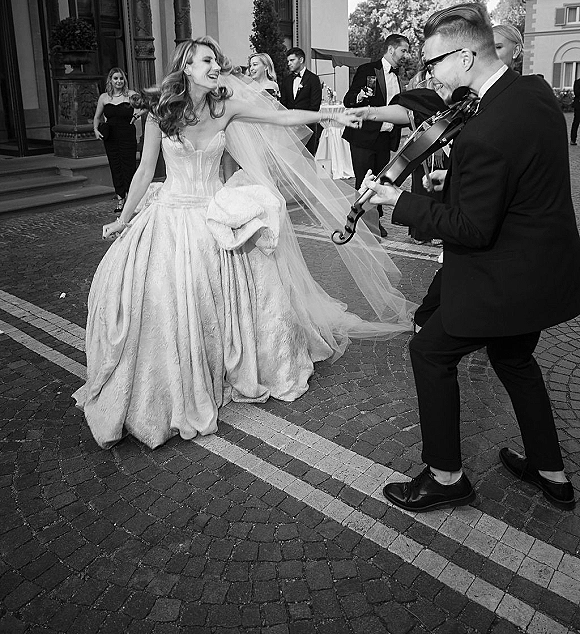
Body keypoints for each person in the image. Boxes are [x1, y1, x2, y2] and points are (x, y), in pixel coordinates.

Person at [73, 37, 413, 450]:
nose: (215, 65)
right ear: (186, 67)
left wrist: (333, 113)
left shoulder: (225, 107)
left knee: (223, 299)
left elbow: (282, 120)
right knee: (168, 299)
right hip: (171, 217)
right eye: (205, 60)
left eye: (216, 59)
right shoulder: (159, 114)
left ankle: (225, 367)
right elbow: (145, 172)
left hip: (216, 218)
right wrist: (124, 218)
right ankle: (174, 379)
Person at [361, 3, 580, 512]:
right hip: (546, 270)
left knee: (430, 353)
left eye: (433, 62)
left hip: (504, 276)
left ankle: (445, 476)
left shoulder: (484, 129)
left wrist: (400, 201)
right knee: (514, 358)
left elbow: (472, 228)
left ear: (463, 57)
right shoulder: (533, 92)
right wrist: (454, 181)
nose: (428, 73)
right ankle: (550, 470)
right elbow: (512, 180)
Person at [352, 72, 450, 244]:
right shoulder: (420, 81)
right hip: (424, 143)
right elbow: (408, 112)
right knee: (422, 189)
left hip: (447, 148)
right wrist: (369, 112)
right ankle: (422, 232)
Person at [342, 34, 410, 238]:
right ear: (391, 49)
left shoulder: (397, 77)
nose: (405, 55)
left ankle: (375, 222)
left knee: (380, 182)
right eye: (403, 50)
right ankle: (361, 224)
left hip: (384, 139)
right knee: (363, 182)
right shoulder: (367, 70)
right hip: (363, 138)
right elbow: (348, 100)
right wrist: (359, 97)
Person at [94, 67, 140, 213]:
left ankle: (131, 199)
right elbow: (97, 117)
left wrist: (136, 116)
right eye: (115, 78)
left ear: (124, 80)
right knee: (115, 166)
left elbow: (148, 104)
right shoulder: (104, 97)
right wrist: (95, 130)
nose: (118, 81)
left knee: (129, 166)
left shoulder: (131, 95)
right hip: (111, 137)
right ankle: (120, 198)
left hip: (127, 135)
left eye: (121, 78)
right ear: (110, 80)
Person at [280, 47, 322, 155]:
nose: (289, 63)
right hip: (290, 127)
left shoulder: (313, 79)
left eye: (292, 60)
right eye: (288, 61)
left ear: (301, 60)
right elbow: (283, 104)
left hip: (307, 127)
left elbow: (315, 106)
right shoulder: (286, 80)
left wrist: (300, 121)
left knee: (308, 159)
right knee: (291, 158)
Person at [570, 76, 580, 145]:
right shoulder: (577, 82)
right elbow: (577, 92)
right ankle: (573, 139)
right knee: (576, 122)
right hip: (578, 105)